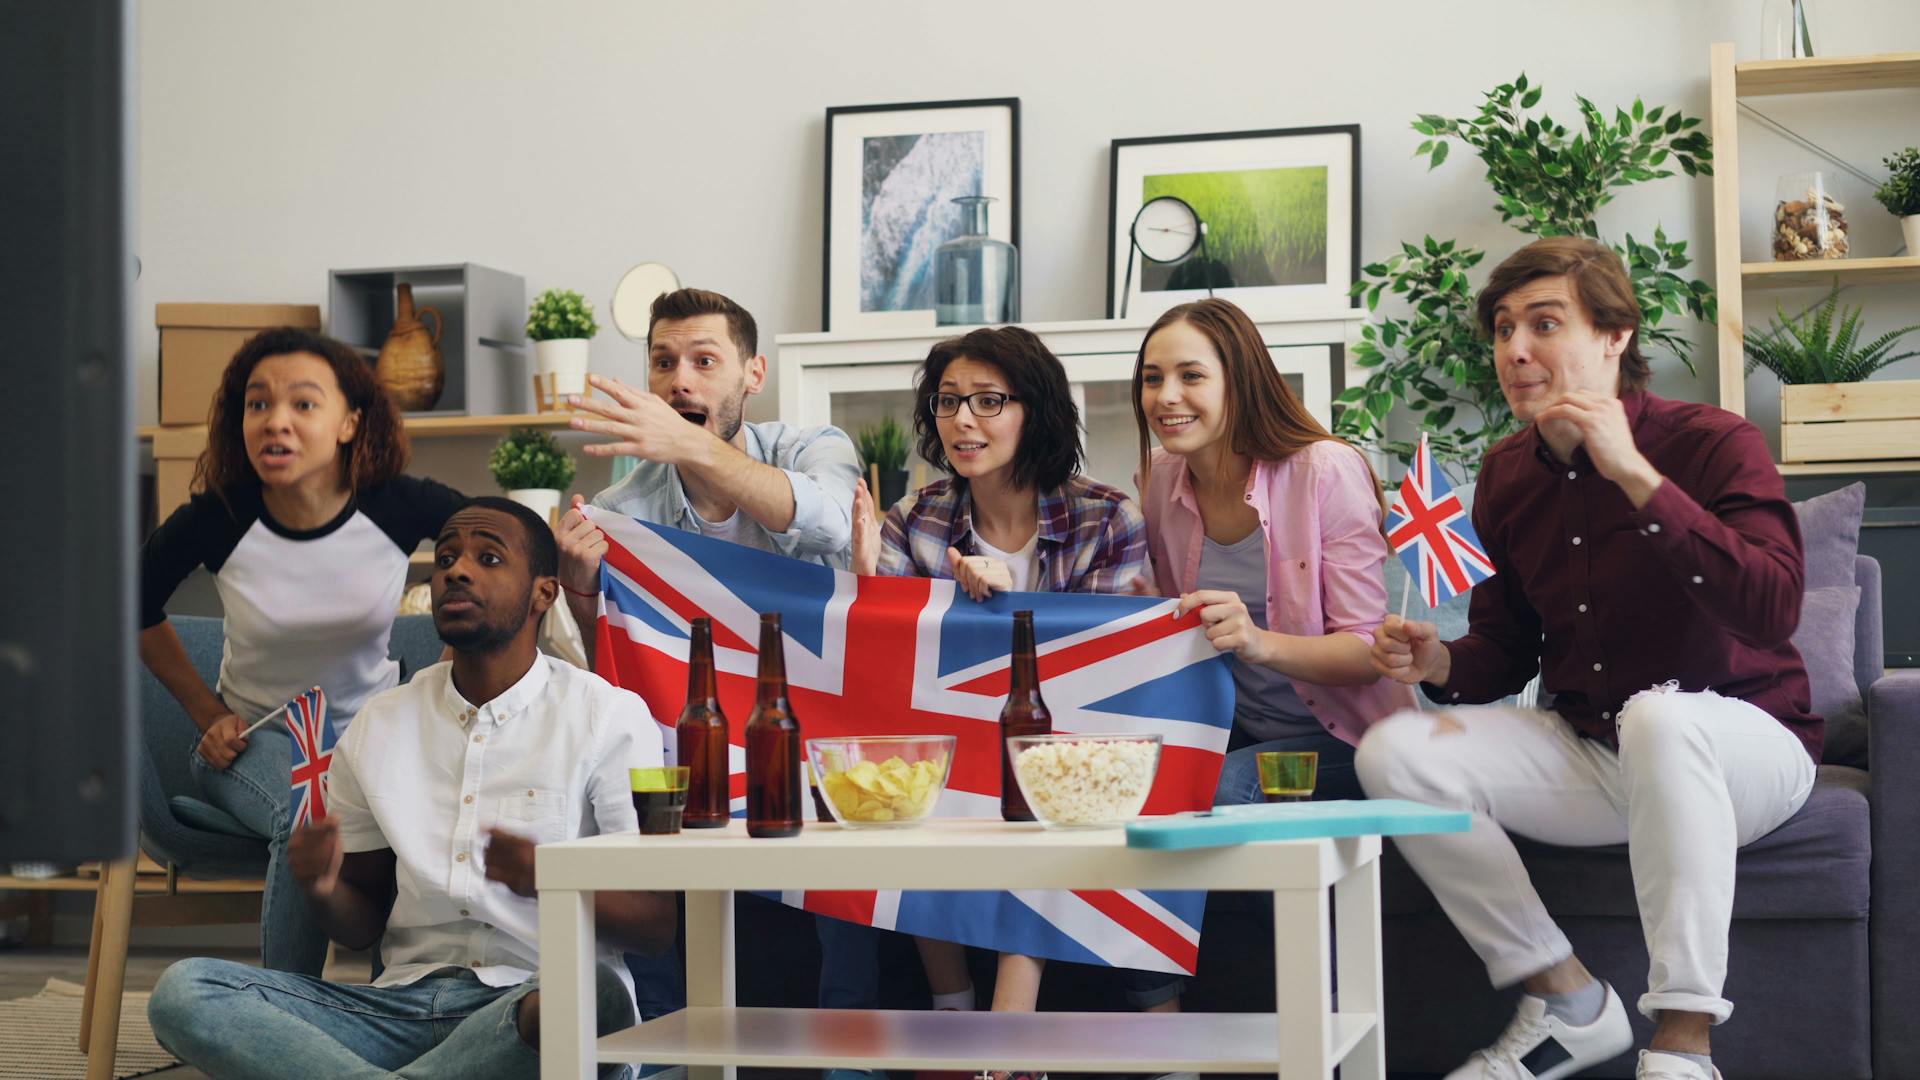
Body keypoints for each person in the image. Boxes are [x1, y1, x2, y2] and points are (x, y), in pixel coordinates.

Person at [1356, 237, 1820, 1080]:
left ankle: (1683, 1043)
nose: (1516, 350)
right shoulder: (1505, 476)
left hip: (1745, 748)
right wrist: (1437, 664)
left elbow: (1771, 607)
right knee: (1394, 751)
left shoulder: (1714, 442)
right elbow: (1506, 651)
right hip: (1597, 751)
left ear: (1615, 334)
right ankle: (1569, 1002)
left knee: (1661, 714)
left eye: (1543, 323)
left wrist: (1633, 474)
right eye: (1502, 330)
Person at [148, 497, 673, 1079]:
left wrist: (543, 878)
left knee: (596, 998)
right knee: (187, 990)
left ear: (544, 594)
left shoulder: (610, 716)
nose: (456, 570)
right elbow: (361, 924)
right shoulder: (380, 723)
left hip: (534, 1006)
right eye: (445, 557)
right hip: (395, 1011)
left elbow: (653, 925)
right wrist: (323, 888)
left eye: (488, 557)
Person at [552, 287, 869, 1040]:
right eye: (663, 363)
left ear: (752, 375)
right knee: (635, 815)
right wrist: (582, 586)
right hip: (689, 742)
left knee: (854, 847)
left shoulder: (811, 445)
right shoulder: (624, 506)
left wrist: (692, 445)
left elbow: (824, 515)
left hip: (818, 724)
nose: (679, 382)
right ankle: (660, 1041)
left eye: (703, 361)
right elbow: (611, 665)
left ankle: (853, 1047)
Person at [850, 325, 1149, 1072]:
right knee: (901, 764)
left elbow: (1111, 668)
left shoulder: (1106, 517)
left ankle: (1007, 1033)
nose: (963, 421)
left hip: (1068, 747)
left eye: (989, 401)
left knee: (1044, 768)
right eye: (949, 402)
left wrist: (1022, 609)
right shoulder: (911, 521)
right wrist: (874, 595)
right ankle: (952, 1007)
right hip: (948, 743)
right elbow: (894, 672)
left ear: (1035, 411)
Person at [138, 327, 466, 976]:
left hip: (371, 741)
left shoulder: (396, 505)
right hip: (257, 744)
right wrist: (207, 714)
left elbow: (505, 548)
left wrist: (450, 670)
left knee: (406, 809)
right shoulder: (220, 516)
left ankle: (389, 1008)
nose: (275, 423)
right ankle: (282, 1019)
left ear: (349, 422)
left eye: (303, 405)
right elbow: (132, 607)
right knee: (308, 814)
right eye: (257, 405)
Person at [1128, 296, 1413, 1014]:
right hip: (1235, 726)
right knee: (1130, 801)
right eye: (1152, 377)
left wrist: (1255, 641)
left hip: (1348, 737)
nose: (1166, 397)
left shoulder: (1325, 470)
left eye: (1191, 376)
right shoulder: (1164, 478)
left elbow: (1366, 651)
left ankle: (1328, 1023)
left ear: (1239, 380)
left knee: (1230, 792)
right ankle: (1161, 1042)